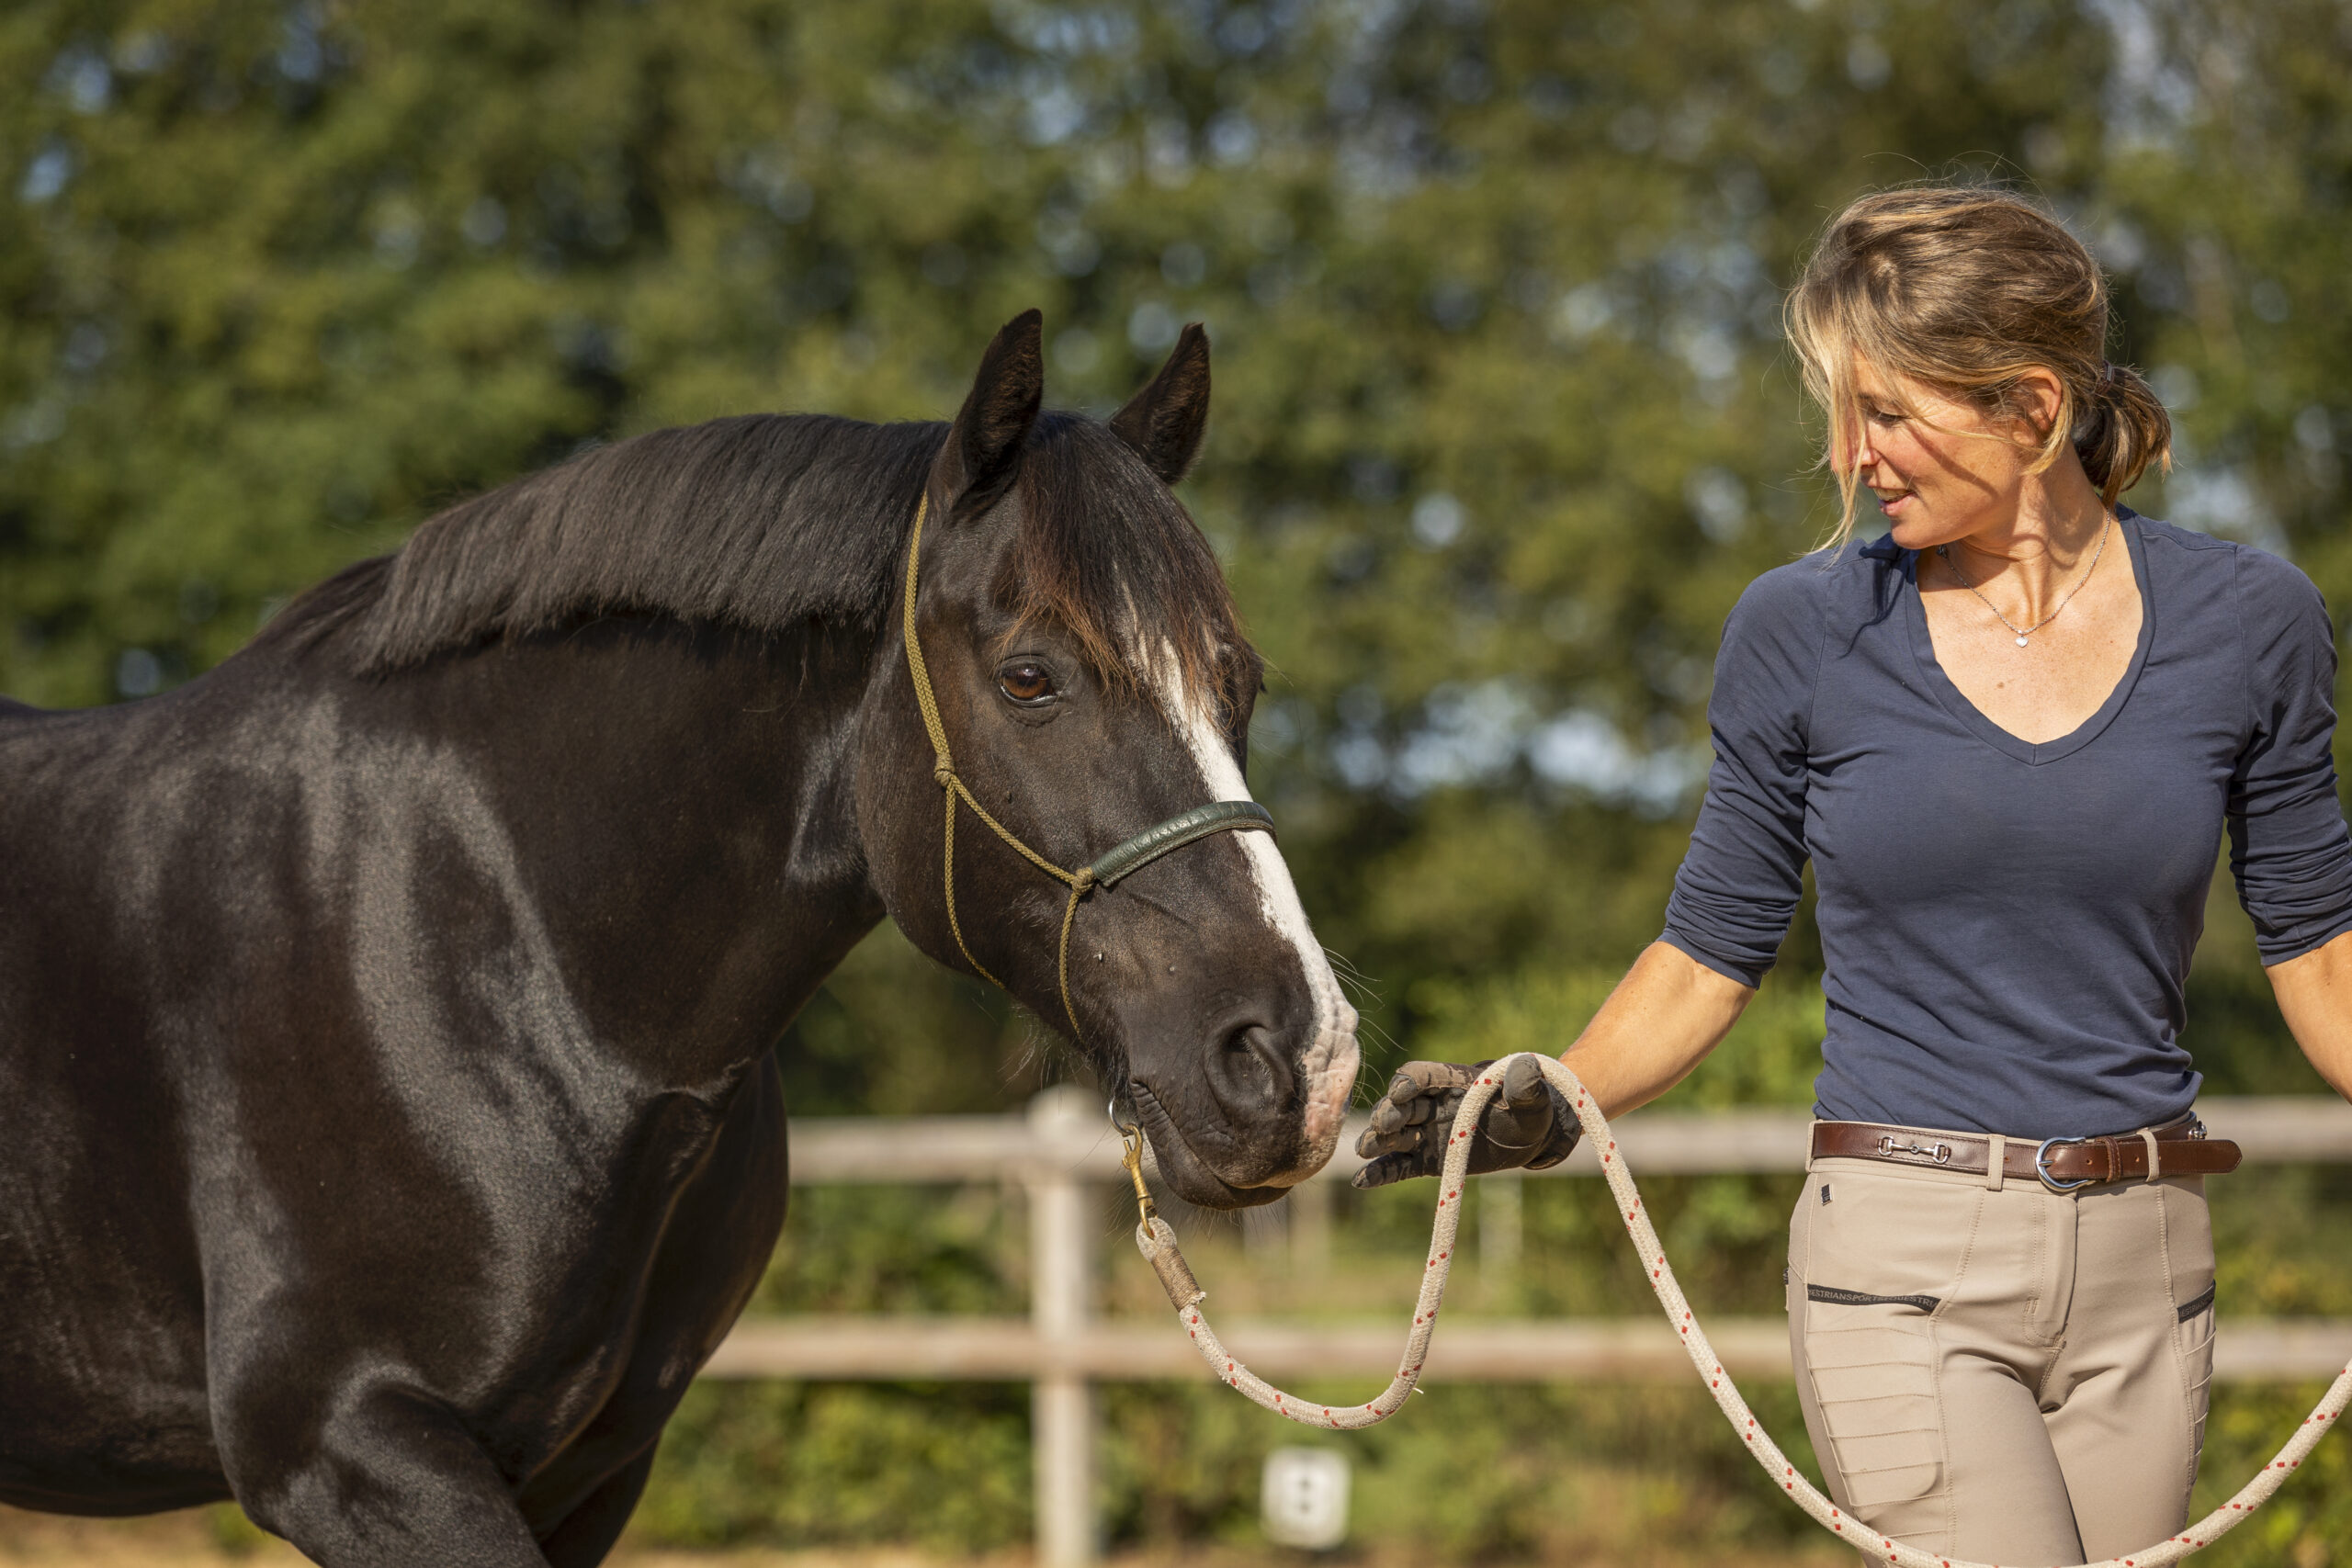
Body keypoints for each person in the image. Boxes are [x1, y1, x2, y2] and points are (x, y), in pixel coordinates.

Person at [1351, 185, 2352, 1566]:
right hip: (1902, 1273)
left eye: (1885, 412)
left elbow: (2318, 954)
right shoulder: (1804, 631)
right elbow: (1709, 954)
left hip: (2152, 1274)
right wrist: (1552, 1101)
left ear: (2033, 409)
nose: (1848, 456)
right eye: (1840, 412)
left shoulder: (2254, 627)